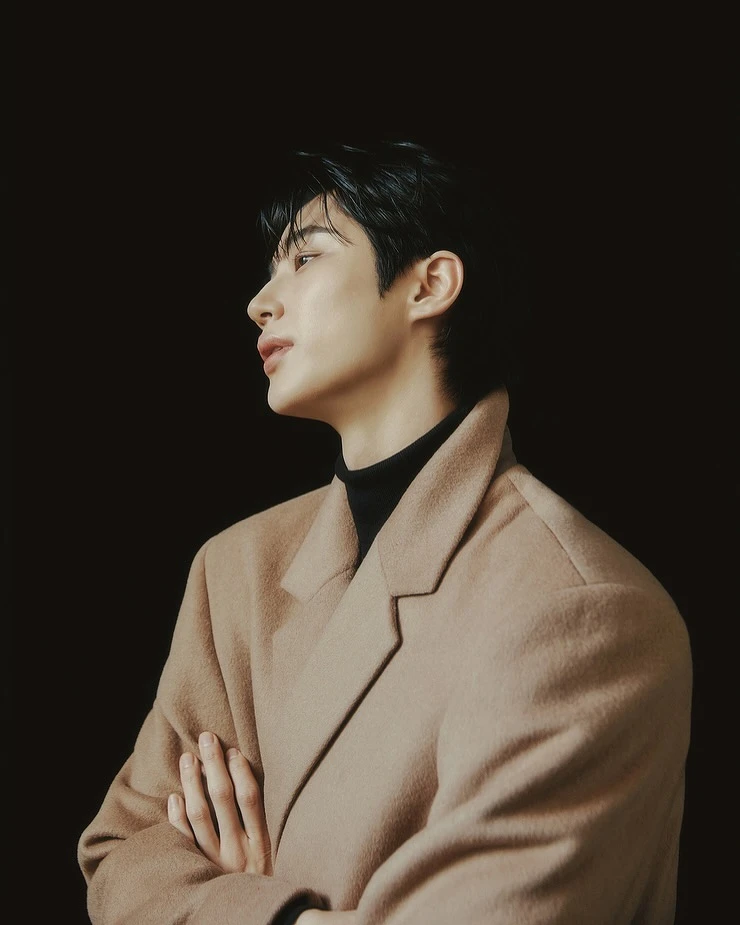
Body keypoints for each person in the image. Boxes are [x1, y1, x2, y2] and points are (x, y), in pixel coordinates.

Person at [77, 139, 693, 924]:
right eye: (269, 271)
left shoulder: (583, 609)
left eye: (305, 259)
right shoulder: (234, 571)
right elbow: (121, 851)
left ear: (429, 284)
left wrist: (256, 907)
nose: (260, 302)